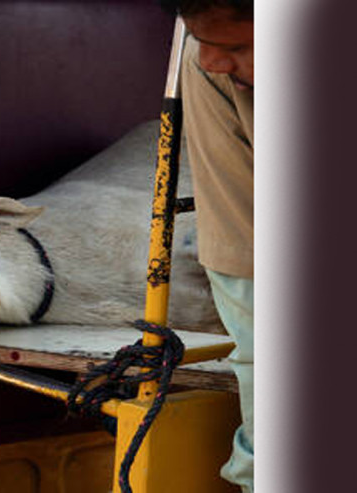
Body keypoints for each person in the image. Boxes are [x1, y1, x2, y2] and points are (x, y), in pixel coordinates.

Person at [161, 1, 254, 491]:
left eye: (237, 45)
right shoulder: (212, 71)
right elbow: (251, 277)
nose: (214, 60)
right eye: (202, 41)